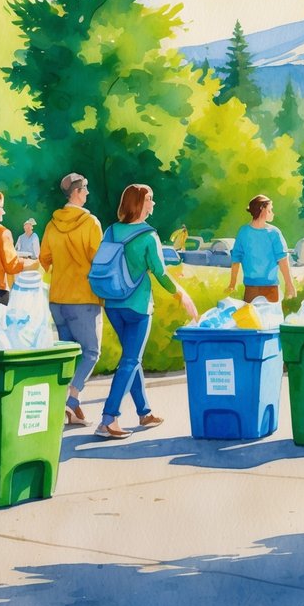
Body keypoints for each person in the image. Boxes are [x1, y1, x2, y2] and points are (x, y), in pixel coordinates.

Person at [97, 184, 198, 439]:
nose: (153, 203)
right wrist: (182, 294)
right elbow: (161, 274)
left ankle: (144, 412)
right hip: (138, 307)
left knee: (133, 358)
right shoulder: (148, 236)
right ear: (139, 203)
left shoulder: (110, 231)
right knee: (130, 360)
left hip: (113, 304)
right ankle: (109, 420)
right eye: (150, 199)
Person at [39, 173, 103, 426]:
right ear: (77, 192)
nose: (87, 194)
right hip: (84, 298)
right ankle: (72, 399)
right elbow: (99, 261)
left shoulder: (52, 225)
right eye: (85, 190)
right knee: (91, 352)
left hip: (57, 298)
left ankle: (71, 412)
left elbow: (44, 259)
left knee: (69, 354)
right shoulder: (90, 223)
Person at [226, 195, 297, 303]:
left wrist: (289, 284)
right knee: (253, 318)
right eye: (270, 210)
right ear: (262, 209)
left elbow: (283, 259)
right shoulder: (245, 232)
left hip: (269, 287)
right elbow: (236, 259)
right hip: (253, 288)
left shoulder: (273, 233)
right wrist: (232, 284)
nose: (272, 213)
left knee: (267, 318)